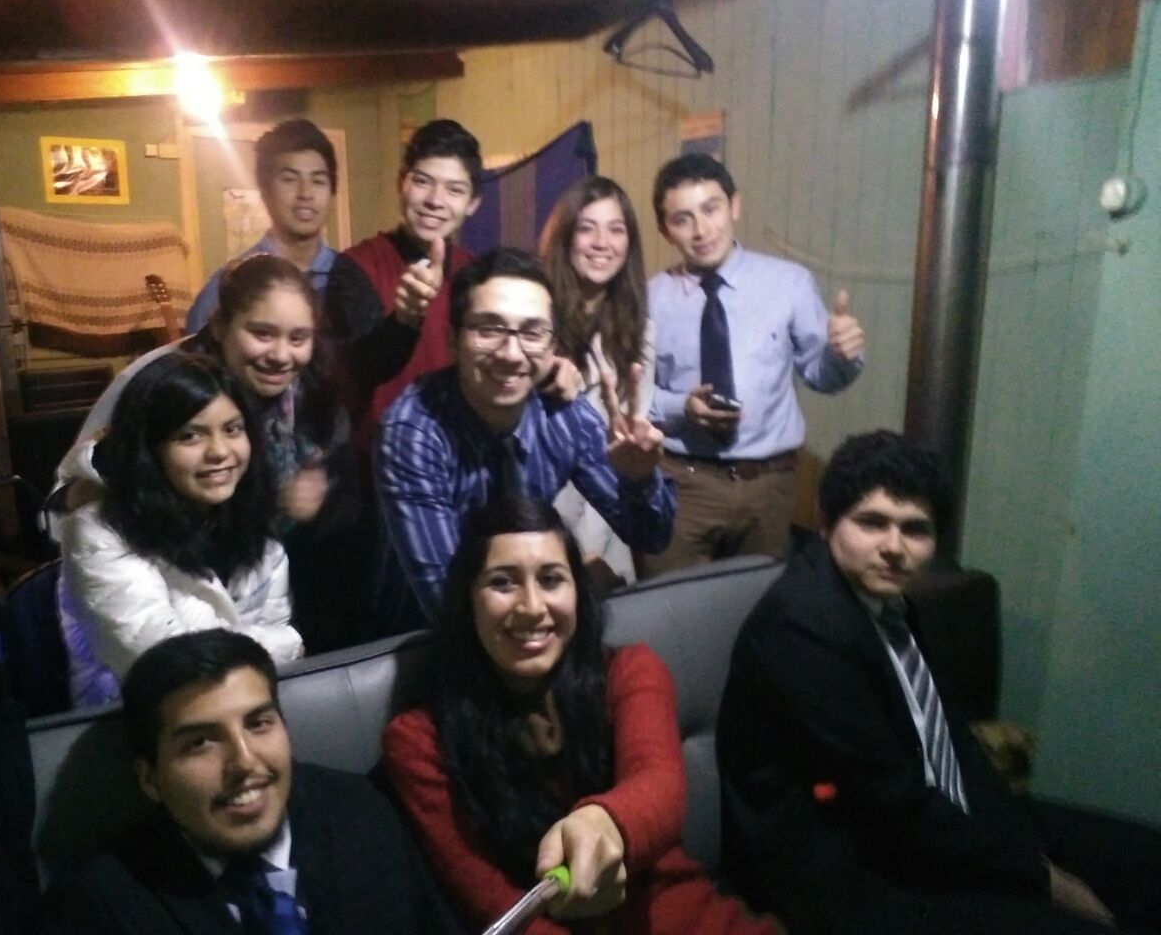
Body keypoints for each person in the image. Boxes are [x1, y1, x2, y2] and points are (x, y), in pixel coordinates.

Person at [717, 430, 1161, 935]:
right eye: (872, 522)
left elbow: (947, 737)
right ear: (825, 521)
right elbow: (891, 804)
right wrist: (1041, 879)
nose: (893, 547)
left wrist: (1022, 843)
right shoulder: (803, 628)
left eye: (915, 529)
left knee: (1145, 862)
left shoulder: (885, 604)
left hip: (923, 829)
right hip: (844, 874)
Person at [383, 497, 781, 935]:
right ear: (467, 599)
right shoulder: (420, 740)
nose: (533, 607)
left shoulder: (628, 671)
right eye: (503, 582)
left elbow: (660, 786)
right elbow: (491, 902)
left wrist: (601, 821)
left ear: (578, 591)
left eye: (551, 579)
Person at [45, 629, 456, 934]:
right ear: (150, 778)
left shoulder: (360, 812)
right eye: (200, 742)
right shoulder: (102, 904)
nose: (244, 761)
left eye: (258, 723)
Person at [56, 254, 368, 652]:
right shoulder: (156, 381)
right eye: (262, 333)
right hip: (155, 594)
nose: (281, 355)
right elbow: (70, 502)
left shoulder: (309, 386)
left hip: (257, 586)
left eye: (298, 338)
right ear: (221, 325)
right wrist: (106, 492)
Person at [373, 247, 676, 634]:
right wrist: (575, 585)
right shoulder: (415, 430)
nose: (512, 354)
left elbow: (652, 537)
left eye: (532, 332)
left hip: (526, 625)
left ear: (552, 349)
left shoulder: (563, 415)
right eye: (489, 329)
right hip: (419, 637)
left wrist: (639, 480)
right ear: (452, 340)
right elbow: (447, 600)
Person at [643, 153, 865, 575]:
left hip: (769, 487)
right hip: (682, 484)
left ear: (735, 206)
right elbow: (631, 396)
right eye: (682, 219)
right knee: (671, 606)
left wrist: (841, 355)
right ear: (664, 229)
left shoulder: (789, 283)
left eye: (711, 209)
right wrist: (681, 407)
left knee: (758, 607)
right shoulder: (650, 298)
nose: (701, 230)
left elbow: (822, 376)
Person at [57, 355, 301, 707]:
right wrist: (288, 643)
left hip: (244, 709)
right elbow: (162, 662)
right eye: (190, 436)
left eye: (233, 429)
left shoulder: (249, 519)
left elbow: (274, 645)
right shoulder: (98, 530)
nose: (220, 451)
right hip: (135, 720)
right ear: (149, 447)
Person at [324, 118, 481, 449]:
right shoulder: (356, 266)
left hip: (458, 454)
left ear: (473, 203)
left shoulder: (475, 272)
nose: (435, 200)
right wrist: (406, 318)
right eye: (423, 181)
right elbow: (361, 366)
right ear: (401, 183)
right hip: (378, 458)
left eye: (454, 189)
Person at [539, 175, 655, 588]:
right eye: (587, 228)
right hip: (536, 524)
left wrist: (590, 548)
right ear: (567, 237)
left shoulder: (640, 329)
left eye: (616, 229)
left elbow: (624, 449)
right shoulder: (535, 319)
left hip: (605, 528)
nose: (602, 242)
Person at [185, 118, 337, 333]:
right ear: (265, 191)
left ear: (332, 192)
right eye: (290, 179)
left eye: (318, 181)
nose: (305, 193)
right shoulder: (229, 287)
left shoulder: (351, 277)